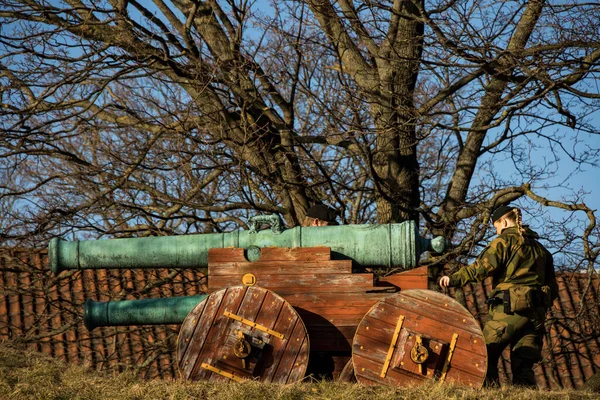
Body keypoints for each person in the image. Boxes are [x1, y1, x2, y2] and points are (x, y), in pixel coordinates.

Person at [439, 205, 558, 387]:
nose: (496, 231)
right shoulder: (541, 250)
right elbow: (553, 287)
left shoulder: (503, 242)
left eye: (496, 227)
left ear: (503, 221)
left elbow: (480, 268)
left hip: (508, 310)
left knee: (485, 354)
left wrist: (453, 278)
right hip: (536, 315)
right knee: (524, 366)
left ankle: (491, 393)